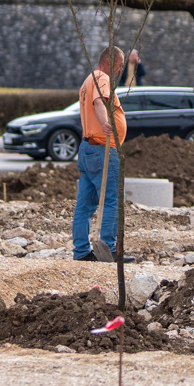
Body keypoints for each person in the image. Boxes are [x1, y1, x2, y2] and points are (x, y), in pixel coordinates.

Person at [72, 46, 128, 261]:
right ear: (110, 61)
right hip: (102, 148)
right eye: (120, 64)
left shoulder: (88, 80)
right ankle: (109, 250)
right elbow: (99, 103)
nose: (121, 69)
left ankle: (82, 252)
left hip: (88, 149)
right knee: (114, 199)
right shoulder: (101, 78)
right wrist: (106, 124)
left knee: (85, 204)